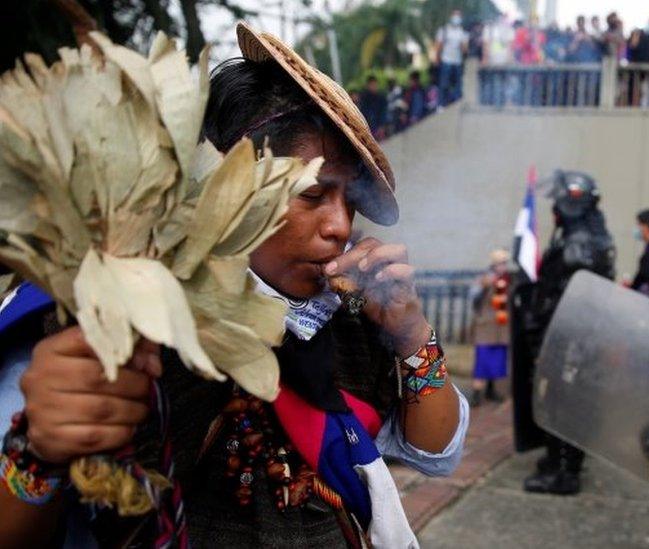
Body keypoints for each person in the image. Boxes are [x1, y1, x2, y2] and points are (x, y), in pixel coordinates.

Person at [0, 23, 468, 547]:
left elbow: (438, 454)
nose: (339, 226)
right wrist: (37, 452)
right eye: (312, 195)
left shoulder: (349, 319)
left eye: (350, 201)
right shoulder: (108, 317)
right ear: (224, 185)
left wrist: (410, 335)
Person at [513, 171, 615, 496]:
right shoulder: (584, 235)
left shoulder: (579, 243)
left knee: (563, 402)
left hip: (569, 339)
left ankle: (564, 472)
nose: (554, 208)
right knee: (559, 400)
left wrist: (541, 328)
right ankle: (557, 458)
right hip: (573, 337)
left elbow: (564, 300)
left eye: (558, 201)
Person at [470, 250, 512, 406]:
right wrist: (483, 286)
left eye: (505, 263)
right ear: (494, 264)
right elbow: (474, 297)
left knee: (497, 360)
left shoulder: (506, 279)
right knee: (483, 360)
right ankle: (476, 393)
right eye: (501, 263)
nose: (503, 266)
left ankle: (491, 389)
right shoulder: (485, 279)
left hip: (500, 327)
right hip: (486, 327)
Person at [434, 9, 469, 105]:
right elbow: (438, 45)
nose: (456, 18)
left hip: (457, 61)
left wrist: (464, 46)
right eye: (455, 15)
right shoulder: (444, 30)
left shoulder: (463, 32)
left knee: (458, 84)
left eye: (459, 16)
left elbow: (465, 49)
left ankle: (457, 103)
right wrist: (436, 58)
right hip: (446, 60)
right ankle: (441, 104)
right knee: (444, 84)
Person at [359, 75, 388, 139]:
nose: (374, 87)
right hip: (370, 128)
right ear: (368, 86)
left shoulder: (381, 98)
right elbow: (364, 113)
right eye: (372, 85)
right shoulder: (364, 99)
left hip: (381, 127)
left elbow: (384, 112)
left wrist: (382, 126)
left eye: (375, 85)